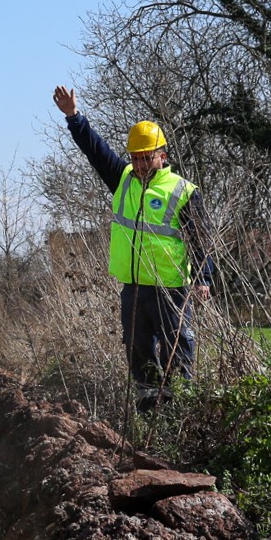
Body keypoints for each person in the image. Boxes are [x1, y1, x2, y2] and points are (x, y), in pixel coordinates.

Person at [53, 85, 213, 409]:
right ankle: (149, 411)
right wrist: (74, 117)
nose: (139, 164)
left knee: (177, 349)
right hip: (134, 286)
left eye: (146, 157)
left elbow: (201, 239)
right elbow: (95, 151)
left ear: (162, 156)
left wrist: (203, 278)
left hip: (171, 288)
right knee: (138, 350)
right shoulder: (123, 179)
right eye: (135, 158)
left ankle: (180, 412)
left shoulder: (182, 191)